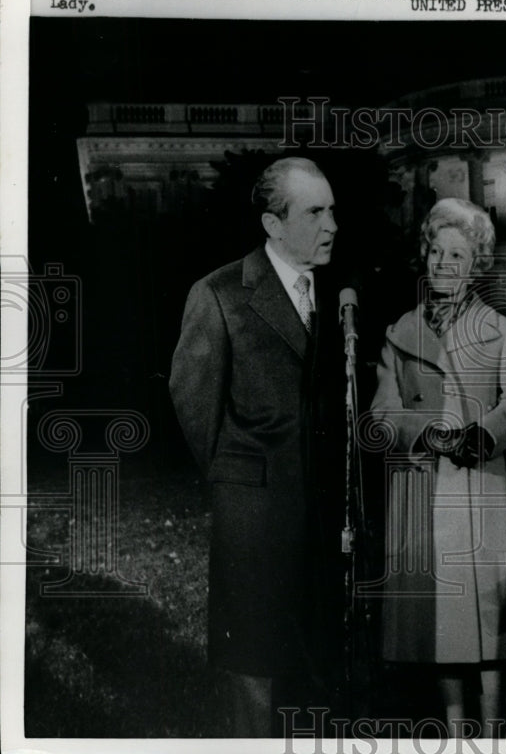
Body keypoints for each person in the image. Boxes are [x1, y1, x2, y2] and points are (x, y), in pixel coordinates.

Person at [169, 157, 342, 736]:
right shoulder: (219, 293)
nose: (331, 224)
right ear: (273, 224)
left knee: (314, 661)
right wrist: (239, 479)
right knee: (253, 664)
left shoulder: (339, 299)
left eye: (332, 210)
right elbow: (193, 401)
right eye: (315, 212)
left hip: (322, 515)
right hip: (255, 518)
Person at [368, 198, 506, 736]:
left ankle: (491, 734)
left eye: (457, 254)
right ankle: (455, 731)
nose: (443, 263)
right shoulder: (399, 332)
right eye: (436, 252)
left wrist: (483, 434)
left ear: (476, 263)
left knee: (488, 620)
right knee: (442, 627)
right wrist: (426, 431)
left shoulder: (501, 328)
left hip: (481, 488)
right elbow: (380, 416)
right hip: (424, 490)